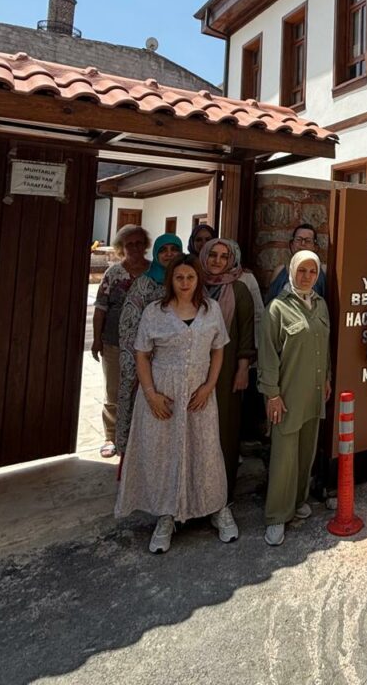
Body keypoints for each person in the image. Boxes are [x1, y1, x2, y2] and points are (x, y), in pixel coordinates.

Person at [115, 256, 233, 553]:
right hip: (163, 393)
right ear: (171, 281)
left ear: (198, 280)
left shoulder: (211, 310)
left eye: (190, 277)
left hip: (198, 394)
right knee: (164, 453)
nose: (184, 283)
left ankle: (216, 507)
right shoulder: (155, 312)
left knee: (204, 450)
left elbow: (218, 350)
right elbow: (142, 353)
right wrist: (151, 393)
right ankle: (166, 515)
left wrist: (209, 386)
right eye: (179, 277)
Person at [259, 250, 332, 546]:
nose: (306, 277)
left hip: (313, 392)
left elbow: (325, 346)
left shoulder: (320, 304)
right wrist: (272, 395)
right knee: (284, 457)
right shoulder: (277, 308)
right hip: (286, 394)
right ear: (292, 271)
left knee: (306, 452)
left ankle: (299, 501)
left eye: (312, 272)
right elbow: (267, 355)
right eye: (301, 270)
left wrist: (326, 378)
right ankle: (277, 515)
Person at [197, 238, 256, 518]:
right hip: (193, 369)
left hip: (228, 370)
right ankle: (194, 492)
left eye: (224, 256)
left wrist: (243, 368)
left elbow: (246, 333)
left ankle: (222, 496)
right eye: (213, 255)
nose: (218, 261)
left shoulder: (239, 289)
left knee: (225, 431)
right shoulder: (192, 285)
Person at [115, 233, 183, 456]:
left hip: (174, 366)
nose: (169, 254)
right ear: (156, 253)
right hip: (144, 363)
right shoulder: (144, 284)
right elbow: (128, 325)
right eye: (164, 250)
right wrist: (133, 362)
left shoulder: (184, 280)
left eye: (174, 249)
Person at [91, 225, 149, 458]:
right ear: (121, 248)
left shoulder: (155, 271)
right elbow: (100, 308)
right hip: (113, 341)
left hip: (146, 344)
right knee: (113, 390)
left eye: (138, 243)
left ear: (145, 245)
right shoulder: (113, 273)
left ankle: (136, 435)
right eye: (129, 244)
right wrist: (97, 340)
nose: (134, 248)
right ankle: (111, 437)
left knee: (142, 390)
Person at [265, 223, 329, 302]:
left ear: (315, 247)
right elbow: (269, 304)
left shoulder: (324, 271)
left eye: (308, 241)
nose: (302, 244)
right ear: (292, 245)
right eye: (298, 240)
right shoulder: (280, 271)